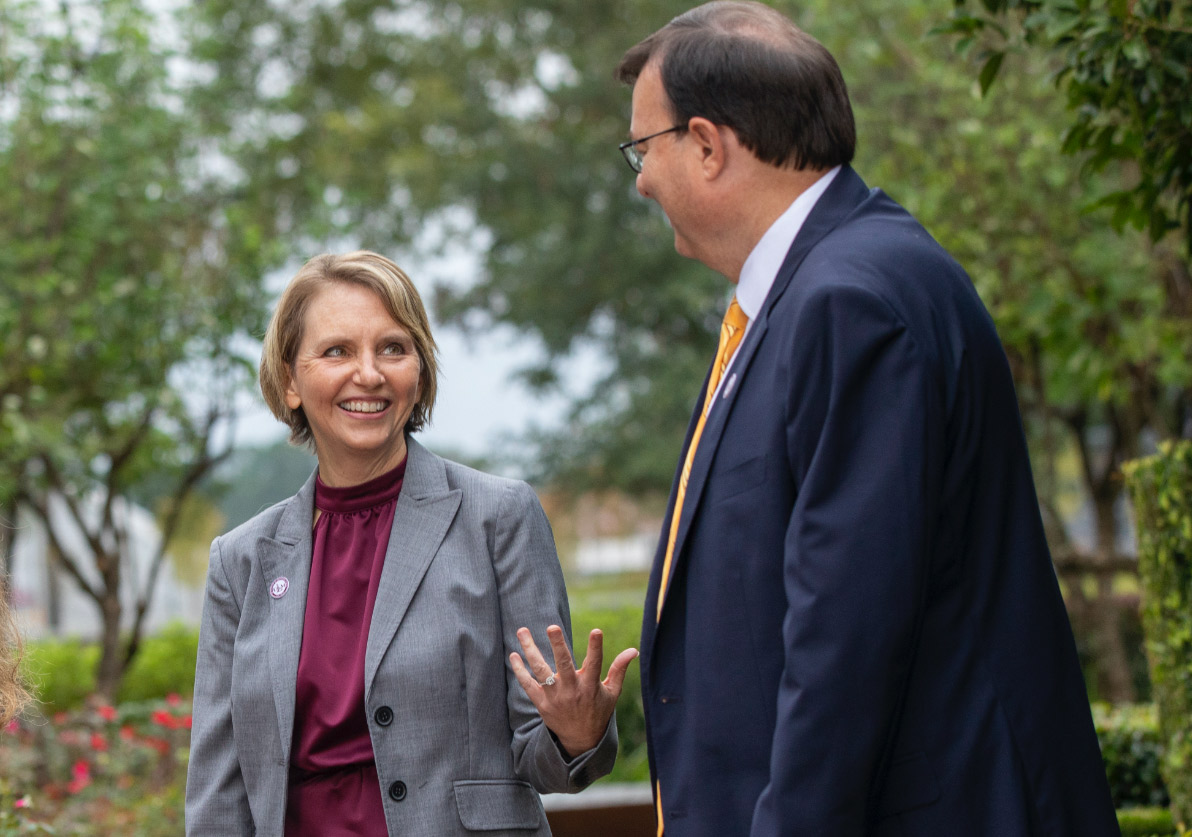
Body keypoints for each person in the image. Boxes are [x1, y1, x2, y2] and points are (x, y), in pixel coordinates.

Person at [615, 3, 1119, 835]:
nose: (639, 179)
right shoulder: (820, 285)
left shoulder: (851, 299)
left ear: (707, 144)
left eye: (643, 148)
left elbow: (846, 636)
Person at [186, 251, 637, 836]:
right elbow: (218, 792)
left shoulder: (499, 517)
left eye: (393, 348)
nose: (369, 373)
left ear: (418, 372)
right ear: (290, 381)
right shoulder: (240, 562)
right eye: (337, 351)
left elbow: (546, 756)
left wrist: (576, 732)